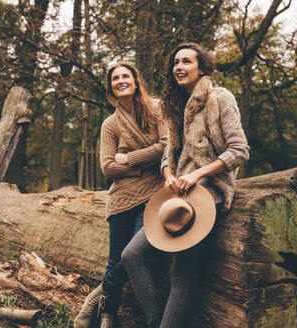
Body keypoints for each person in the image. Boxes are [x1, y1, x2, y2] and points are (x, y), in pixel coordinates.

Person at [121, 42, 250, 328]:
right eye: (176, 62)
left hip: (208, 196)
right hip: (175, 195)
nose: (179, 67)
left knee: (182, 273)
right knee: (131, 255)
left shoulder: (220, 99)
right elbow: (168, 155)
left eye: (186, 62)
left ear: (202, 67)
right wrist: (167, 173)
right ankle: (155, 322)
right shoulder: (175, 106)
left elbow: (239, 150)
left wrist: (197, 175)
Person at [74, 61, 167, 328]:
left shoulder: (156, 109)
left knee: (131, 254)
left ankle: (93, 301)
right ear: (111, 87)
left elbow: (165, 146)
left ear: (136, 81)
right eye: (115, 79)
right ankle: (108, 315)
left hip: (154, 195)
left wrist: (128, 158)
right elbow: (106, 168)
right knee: (115, 259)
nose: (121, 81)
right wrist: (142, 167)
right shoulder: (109, 124)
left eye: (126, 76)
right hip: (120, 198)